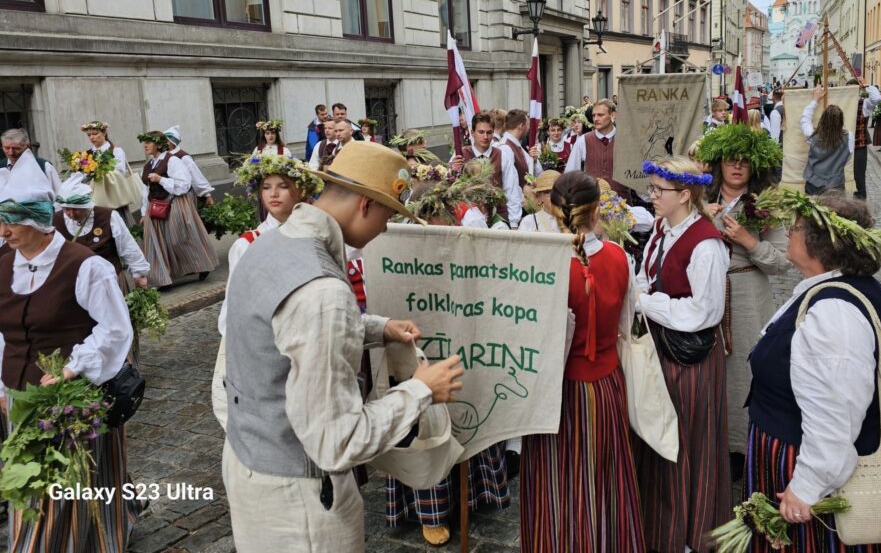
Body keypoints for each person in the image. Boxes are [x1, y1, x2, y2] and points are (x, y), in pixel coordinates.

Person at [222, 141, 463, 552]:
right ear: (366, 205)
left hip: (251, 462)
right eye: (389, 212)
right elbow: (338, 441)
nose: (387, 227)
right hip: (301, 502)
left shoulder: (269, 244)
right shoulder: (323, 291)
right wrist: (421, 390)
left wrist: (378, 328)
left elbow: (283, 332)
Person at [745, 190, 881, 553]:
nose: (788, 232)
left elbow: (836, 414)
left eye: (795, 227)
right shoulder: (835, 290)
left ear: (818, 245)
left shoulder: (835, 315)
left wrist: (807, 487)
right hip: (793, 452)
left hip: (803, 467)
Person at [0, 150, 142, 549]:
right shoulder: (3, 265)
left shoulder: (85, 266)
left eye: (11, 222)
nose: (3, 231)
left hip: (73, 395)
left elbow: (115, 330)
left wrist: (72, 370)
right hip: (21, 394)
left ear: (36, 221)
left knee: (78, 478)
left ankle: (90, 538)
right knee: (29, 480)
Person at [520, 171, 645, 552]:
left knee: (555, 481)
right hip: (606, 386)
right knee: (603, 479)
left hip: (554, 395)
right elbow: (628, 324)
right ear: (596, 212)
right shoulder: (620, 257)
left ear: (553, 208)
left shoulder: (543, 264)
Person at [389, 166, 513, 545]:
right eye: (431, 220)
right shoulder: (403, 252)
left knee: (468, 420)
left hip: (465, 354)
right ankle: (430, 511)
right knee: (427, 428)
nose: (437, 226)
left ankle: (475, 495)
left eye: (444, 220)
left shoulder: (467, 246)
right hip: (421, 359)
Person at [633, 156, 731, 553]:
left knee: (686, 443)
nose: (652, 196)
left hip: (690, 358)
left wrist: (646, 303)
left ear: (685, 195)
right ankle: (659, 528)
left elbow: (704, 312)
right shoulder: (660, 229)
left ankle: (689, 534)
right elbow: (645, 276)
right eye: (652, 188)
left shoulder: (706, 244)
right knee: (657, 438)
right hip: (659, 350)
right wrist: (643, 294)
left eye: (659, 190)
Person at [698, 125, 789, 477]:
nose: (736, 167)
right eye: (730, 161)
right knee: (706, 366)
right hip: (706, 289)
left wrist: (750, 241)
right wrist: (699, 219)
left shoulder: (766, 205)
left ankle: (740, 447)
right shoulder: (699, 199)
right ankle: (707, 441)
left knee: (744, 372)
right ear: (719, 164)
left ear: (755, 168)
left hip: (748, 293)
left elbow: (782, 262)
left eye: (744, 163)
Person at [212, 154, 324, 429]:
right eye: (266, 187)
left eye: (283, 186)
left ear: (301, 189)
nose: (273, 194)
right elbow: (235, 308)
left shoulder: (318, 236)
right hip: (266, 345)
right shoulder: (247, 244)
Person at [138, 130, 219, 288]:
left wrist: (161, 179)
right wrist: (143, 212)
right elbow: (145, 191)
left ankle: (201, 264)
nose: (145, 145)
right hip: (155, 206)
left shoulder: (172, 160)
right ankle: (162, 279)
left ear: (159, 144)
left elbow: (184, 184)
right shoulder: (147, 166)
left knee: (177, 239)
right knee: (155, 244)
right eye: (144, 142)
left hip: (175, 201)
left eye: (149, 142)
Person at [53, 173, 150, 293]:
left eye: (76, 209)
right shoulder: (55, 222)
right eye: (67, 209)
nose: (71, 214)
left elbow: (127, 246)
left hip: (111, 281)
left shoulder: (108, 216)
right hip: (77, 287)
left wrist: (139, 274)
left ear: (86, 205)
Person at [451, 111, 522, 228]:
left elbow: (512, 190)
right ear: (472, 133)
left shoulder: (502, 155)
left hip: (498, 220)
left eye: (489, 133)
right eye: (481, 132)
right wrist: (453, 170)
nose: (485, 137)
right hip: (469, 221)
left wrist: (514, 223)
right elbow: (449, 188)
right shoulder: (460, 155)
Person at [565, 99, 629, 196]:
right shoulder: (583, 141)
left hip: (623, 204)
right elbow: (570, 174)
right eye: (594, 115)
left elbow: (637, 175)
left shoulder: (625, 140)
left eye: (600, 115)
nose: (595, 119)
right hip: (592, 204)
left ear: (613, 115)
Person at [80, 119, 139, 224]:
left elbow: (119, 172)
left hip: (113, 196)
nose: (92, 137)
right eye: (89, 135)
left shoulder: (115, 151)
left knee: (118, 225)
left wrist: (98, 172)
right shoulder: (87, 154)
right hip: (95, 198)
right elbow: (83, 176)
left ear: (104, 132)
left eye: (95, 133)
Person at [800, 86, 854, 195]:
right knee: (836, 212)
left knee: (813, 211)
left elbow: (805, 119)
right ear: (841, 121)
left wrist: (815, 100)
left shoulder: (812, 136)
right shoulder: (849, 136)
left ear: (823, 119)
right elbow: (848, 158)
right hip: (836, 185)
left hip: (814, 183)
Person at [848, 77, 881, 198]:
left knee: (859, 177)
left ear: (858, 90)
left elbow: (877, 98)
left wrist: (866, 85)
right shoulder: (841, 103)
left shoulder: (864, 103)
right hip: (842, 148)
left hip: (859, 146)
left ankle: (861, 208)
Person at [163, 125, 216, 208]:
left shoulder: (183, 157)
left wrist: (207, 194)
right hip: (165, 197)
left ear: (173, 142)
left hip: (182, 198)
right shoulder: (162, 156)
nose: (163, 143)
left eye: (166, 140)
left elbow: (196, 175)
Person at [1, 127, 61, 195]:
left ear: (28, 146)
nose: (11, 152)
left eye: (16, 148)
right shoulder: (1, 167)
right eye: (6, 148)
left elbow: (59, 195)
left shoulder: (44, 166)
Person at [502, 109, 534, 185]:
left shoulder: (516, 145)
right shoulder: (505, 147)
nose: (529, 128)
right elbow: (510, 184)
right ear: (521, 126)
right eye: (528, 124)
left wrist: (534, 160)